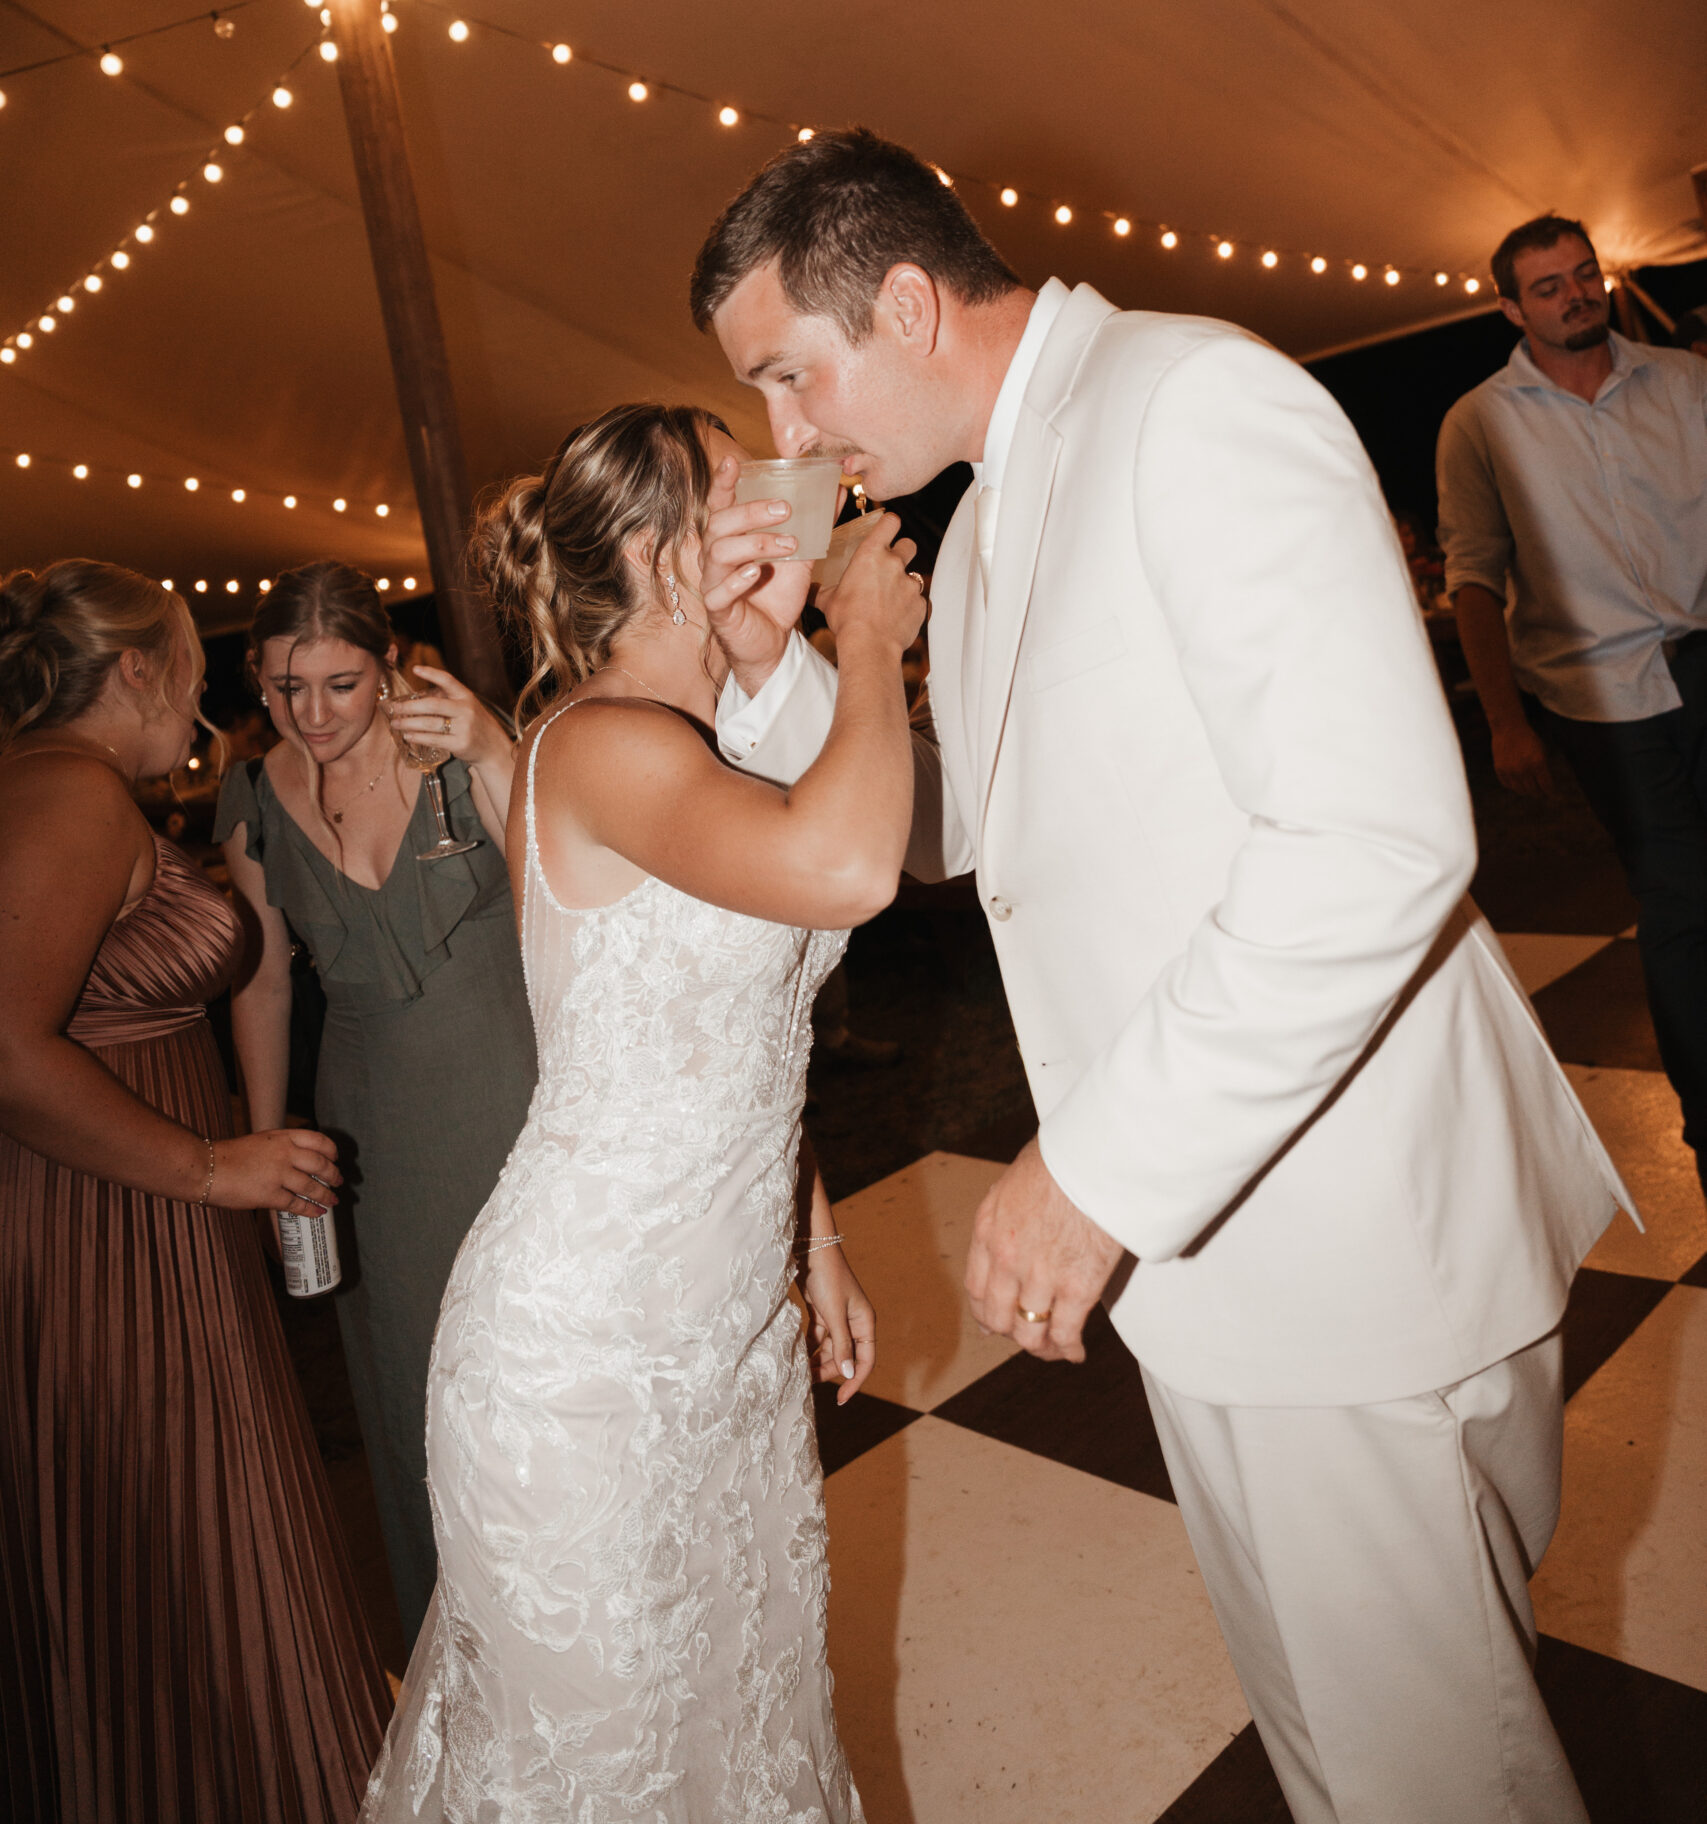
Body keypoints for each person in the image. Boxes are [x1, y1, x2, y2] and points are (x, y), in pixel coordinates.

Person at [688, 131, 1631, 1824]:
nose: (784, 436)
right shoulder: (971, 542)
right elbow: (956, 830)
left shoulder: (1191, 399)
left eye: (786, 375)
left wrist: (1098, 1168)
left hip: (1341, 1240)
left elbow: (1373, 839)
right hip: (1205, 1265)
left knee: (1436, 1772)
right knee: (1329, 1747)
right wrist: (777, 683)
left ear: (902, 302)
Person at [361, 404, 921, 1824]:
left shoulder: (706, 733)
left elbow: (723, 1033)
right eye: (742, 484)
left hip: (720, 1353)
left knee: (742, 1737)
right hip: (581, 1374)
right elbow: (848, 863)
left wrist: (818, 1234)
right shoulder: (605, 744)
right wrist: (862, 639)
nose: (789, 494)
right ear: (663, 547)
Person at [0, 559, 390, 1824]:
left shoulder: (71, 790)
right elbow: (7, 1048)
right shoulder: (68, 794)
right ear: (137, 671)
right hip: (112, 1226)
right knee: (199, 1525)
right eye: (193, 660)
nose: (211, 692)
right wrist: (214, 1163)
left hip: (126, 1211)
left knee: (160, 1544)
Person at [218, 561, 538, 1647]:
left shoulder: (457, 752)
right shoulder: (257, 788)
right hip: (367, 1125)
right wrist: (267, 1143)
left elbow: (567, 900)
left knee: (524, 1372)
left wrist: (498, 750)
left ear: (391, 668)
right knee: (411, 1392)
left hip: (508, 1087)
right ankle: (460, 1659)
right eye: (283, 687)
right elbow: (260, 976)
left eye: (339, 686)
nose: (309, 714)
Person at [1437, 213, 1707, 1196]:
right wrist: (1506, 721)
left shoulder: (1685, 382)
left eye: (1584, 274)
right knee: (1680, 900)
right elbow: (1474, 580)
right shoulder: (1481, 422)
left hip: (1705, 658)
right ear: (1511, 307)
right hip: (1603, 701)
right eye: (1547, 285)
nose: (1576, 294)